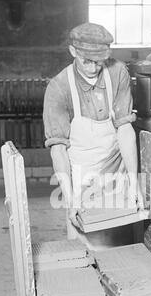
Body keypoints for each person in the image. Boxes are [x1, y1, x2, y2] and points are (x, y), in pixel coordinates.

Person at [43, 22, 143, 248]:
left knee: (122, 244)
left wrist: (133, 180)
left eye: (98, 62)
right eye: (86, 61)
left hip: (115, 171)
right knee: (88, 247)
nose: (92, 68)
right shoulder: (59, 88)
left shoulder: (117, 72)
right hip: (80, 176)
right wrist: (70, 199)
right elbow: (58, 149)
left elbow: (125, 128)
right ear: (72, 52)